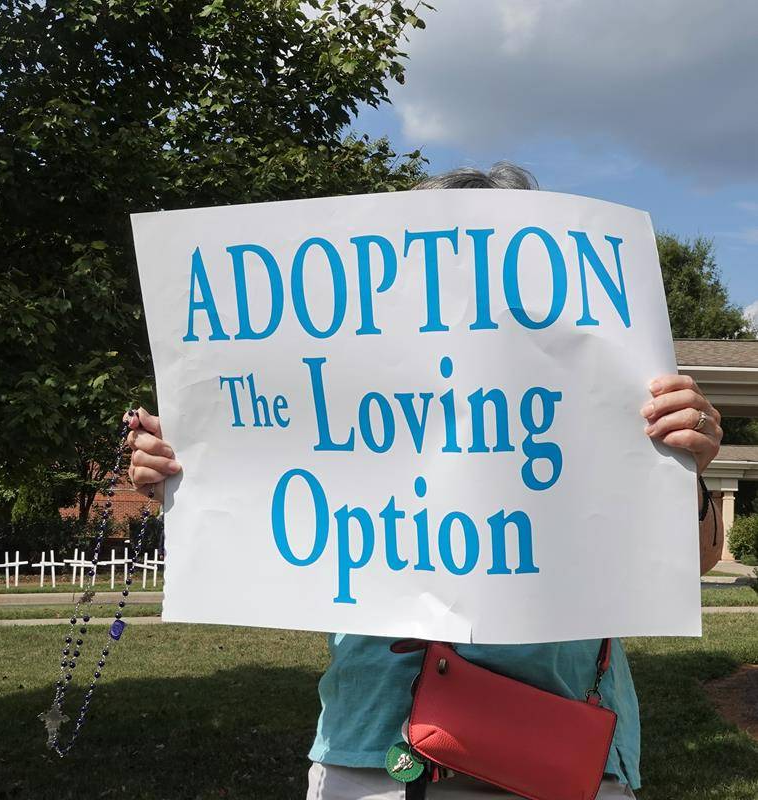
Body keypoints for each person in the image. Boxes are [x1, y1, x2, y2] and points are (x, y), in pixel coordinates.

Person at [123, 163, 725, 799]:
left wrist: (683, 465)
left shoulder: (608, 387)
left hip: (557, 750)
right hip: (369, 750)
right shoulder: (343, 386)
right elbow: (260, 498)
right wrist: (184, 469)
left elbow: (702, 558)